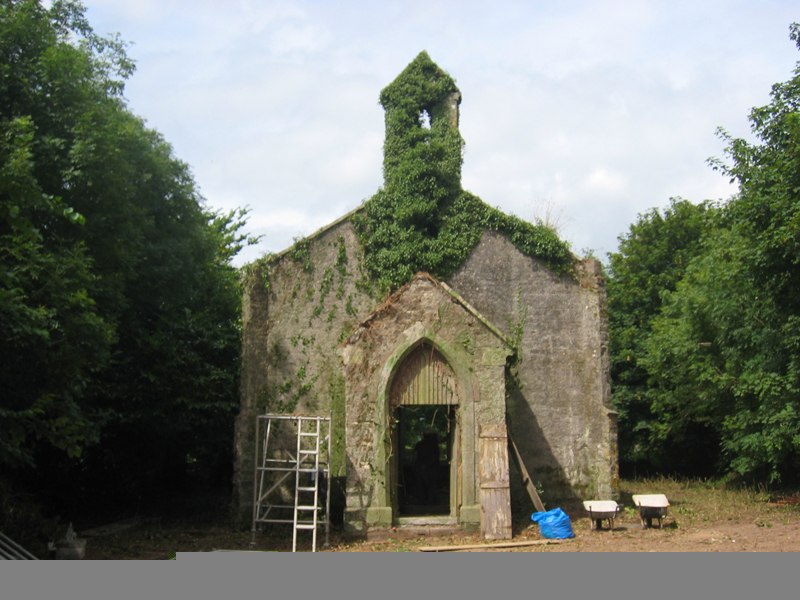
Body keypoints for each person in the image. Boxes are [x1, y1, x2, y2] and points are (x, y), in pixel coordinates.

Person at [414, 431, 440, 504]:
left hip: (421, 468)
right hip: (431, 468)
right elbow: (436, 457)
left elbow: (415, 457)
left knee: (421, 485)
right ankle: (431, 502)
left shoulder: (419, 445)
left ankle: (421, 501)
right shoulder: (434, 445)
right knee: (431, 486)